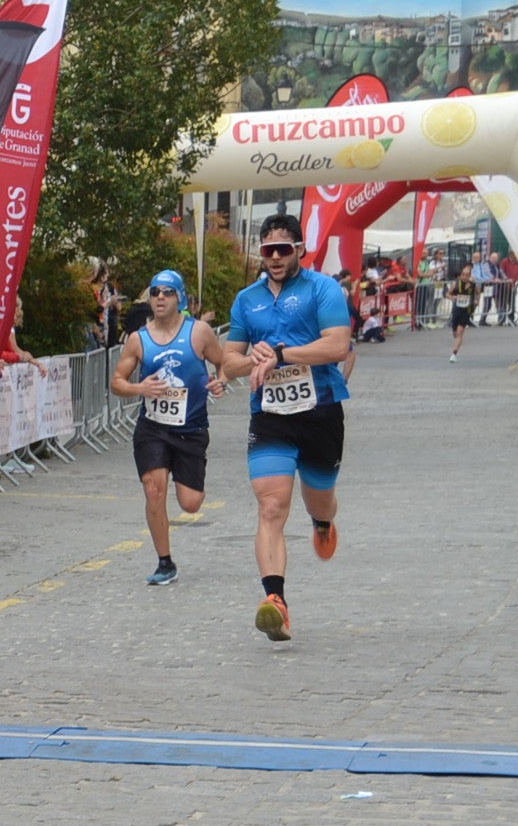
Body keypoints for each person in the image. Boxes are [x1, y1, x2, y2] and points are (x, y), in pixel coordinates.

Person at [220, 213, 353, 644]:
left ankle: (322, 523)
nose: (274, 258)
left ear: (300, 250)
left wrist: (282, 353)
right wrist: (252, 361)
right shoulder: (247, 300)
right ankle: (275, 600)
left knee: (321, 500)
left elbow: (337, 345)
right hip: (270, 416)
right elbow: (229, 361)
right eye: (267, 250)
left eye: (283, 249)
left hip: (321, 412)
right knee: (272, 507)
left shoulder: (323, 289)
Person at [110, 270, 230, 587]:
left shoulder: (199, 332)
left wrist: (221, 380)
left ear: (180, 298)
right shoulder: (139, 339)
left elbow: (223, 362)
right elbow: (117, 382)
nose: (160, 297)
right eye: (155, 292)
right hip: (152, 428)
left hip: (191, 429)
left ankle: (187, 476)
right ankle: (165, 563)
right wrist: (139, 390)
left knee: (190, 504)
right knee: (154, 489)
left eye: (167, 292)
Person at [448, 268, 475, 359]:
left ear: (469, 276)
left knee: (460, 332)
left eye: (467, 275)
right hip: (456, 310)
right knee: (455, 333)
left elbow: (478, 293)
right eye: (463, 274)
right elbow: (448, 294)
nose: (464, 276)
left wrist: (477, 300)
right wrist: (452, 297)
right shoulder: (456, 284)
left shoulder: (473, 285)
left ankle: (454, 354)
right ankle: (455, 334)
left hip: (466, 311)